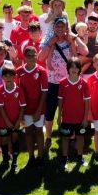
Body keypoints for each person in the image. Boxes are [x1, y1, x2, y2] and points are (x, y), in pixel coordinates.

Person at [39, 18, 88, 149]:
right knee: (50, 111)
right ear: (54, 28)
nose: (60, 29)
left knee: (70, 109)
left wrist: (74, 37)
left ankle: (70, 136)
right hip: (54, 82)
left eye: (63, 26)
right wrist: (50, 43)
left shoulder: (71, 40)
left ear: (67, 27)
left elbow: (85, 51)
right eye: (58, 26)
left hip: (69, 83)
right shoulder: (49, 40)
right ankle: (48, 137)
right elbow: (40, 57)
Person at [57, 58, 91, 170]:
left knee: (80, 138)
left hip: (80, 118)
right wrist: (59, 116)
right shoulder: (62, 83)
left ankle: (80, 157)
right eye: (72, 67)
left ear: (80, 69)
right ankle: (64, 158)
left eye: (76, 67)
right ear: (68, 69)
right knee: (65, 138)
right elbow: (60, 100)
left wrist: (86, 118)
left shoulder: (84, 83)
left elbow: (87, 102)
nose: (74, 69)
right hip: (67, 117)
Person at [17, 46, 48, 167]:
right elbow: (18, 92)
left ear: (37, 56)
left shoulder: (41, 71)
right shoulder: (19, 71)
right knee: (28, 132)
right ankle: (31, 156)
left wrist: (39, 110)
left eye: (33, 55)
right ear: (24, 57)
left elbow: (44, 91)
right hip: (26, 109)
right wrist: (21, 111)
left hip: (38, 108)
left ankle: (40, 156)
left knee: (39, 131)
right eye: (28, 55)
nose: (31, 58)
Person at [0, 65, 25, 172]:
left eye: (11, 75)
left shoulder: (19, 90)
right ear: (2, 77)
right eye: (6, 76)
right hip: (3, 122)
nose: (8, 78)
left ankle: (15, 162)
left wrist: (18, 121)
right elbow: (0, 108)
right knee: (4, 140)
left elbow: (22, 107)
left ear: (14, 76)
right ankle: (5, 161)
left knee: (15, 139)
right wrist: (7, 121)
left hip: (16, 121)